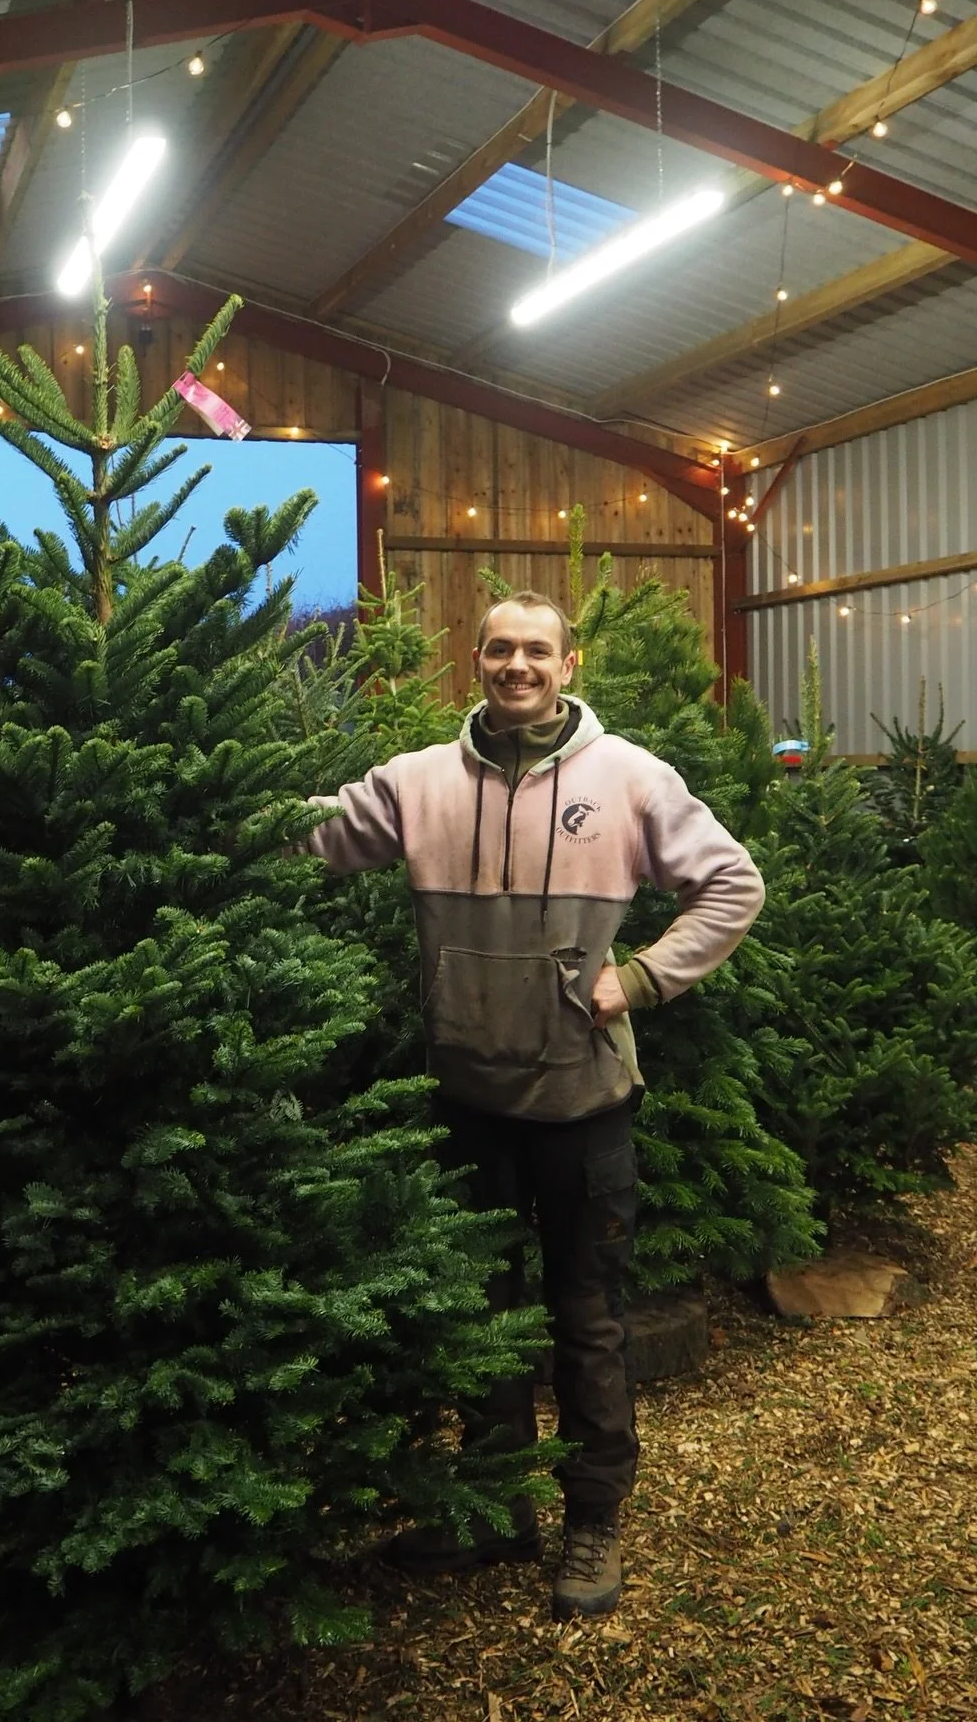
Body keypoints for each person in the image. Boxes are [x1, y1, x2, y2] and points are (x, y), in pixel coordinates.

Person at [299, 590, 764, 1619]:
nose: (519, 665)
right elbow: (314, 837)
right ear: (475, 659)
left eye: (537, 650)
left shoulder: (631, 777)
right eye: (500, 647)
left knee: (586, 1317)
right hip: (468, 1098)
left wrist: (637, 980)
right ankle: (490, 1505)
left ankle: (592, 1513)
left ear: (569, 661)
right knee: (483, 1315)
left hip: (583, 1104)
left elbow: (733, 883)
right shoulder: (417, 783)